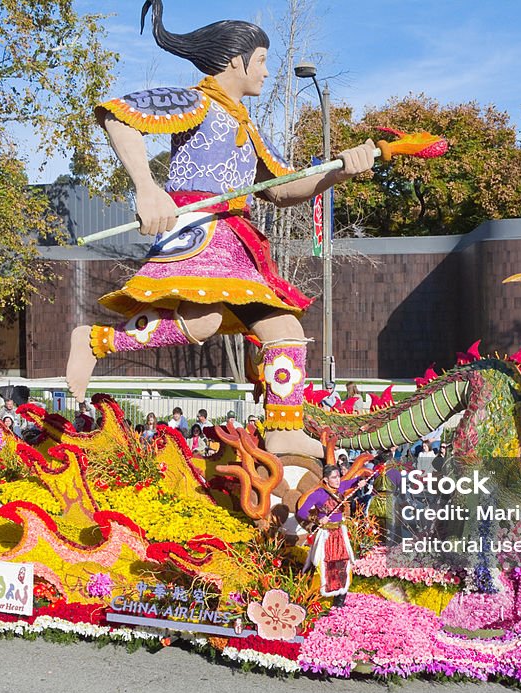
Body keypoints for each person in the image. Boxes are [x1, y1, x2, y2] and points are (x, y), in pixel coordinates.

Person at [63, 0, 376, 458]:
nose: (268, 72)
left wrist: (341, 171)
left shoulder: (248, 124)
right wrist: (147, 189)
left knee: (284, 329)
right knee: (203, 319)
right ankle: (96, 340)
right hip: (198, 228)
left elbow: (285, 187)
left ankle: (284, 429)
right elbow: (116, 114)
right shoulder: (194, 100)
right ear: (236, 61)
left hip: (238, 238)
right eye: (264, 61)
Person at [297, 464, 370, 604]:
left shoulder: (341, 487)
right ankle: (312, 598)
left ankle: (340, 599)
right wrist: (317, 519)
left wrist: (360, 481)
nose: (338, 480)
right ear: (325, 480)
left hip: (340, 533)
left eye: (338, 477)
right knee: (322, 563)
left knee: (343, 562)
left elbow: (354, 481)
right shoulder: (318, 494)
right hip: (326, 535)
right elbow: (301, 511)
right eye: (334, 478)